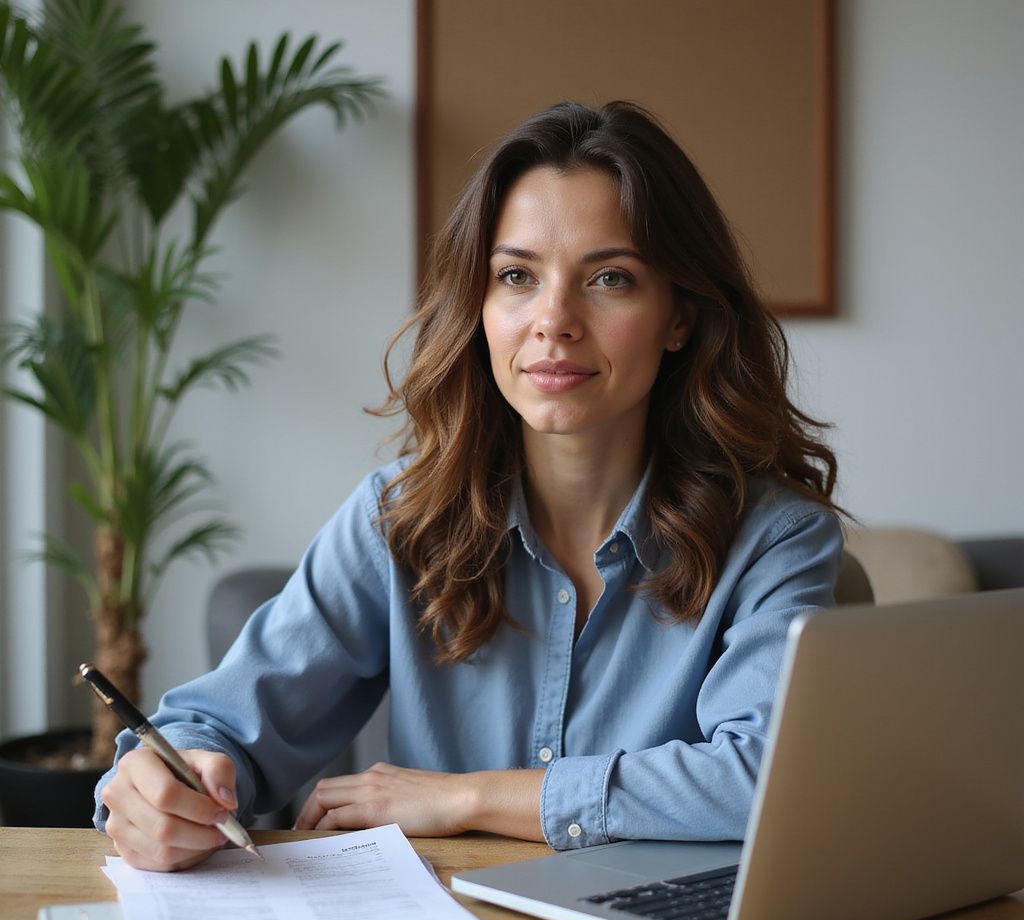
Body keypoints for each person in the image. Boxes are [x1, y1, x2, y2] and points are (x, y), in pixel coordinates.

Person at [95, 100, 844, 872]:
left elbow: (765, 781)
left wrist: (467, 798)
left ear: (678, 316)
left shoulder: (775, 539)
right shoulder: (400, 518)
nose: (553, 320)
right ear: (480, 305)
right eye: (516, 276)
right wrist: (166, 786)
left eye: (611, 278)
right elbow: (219, 727)